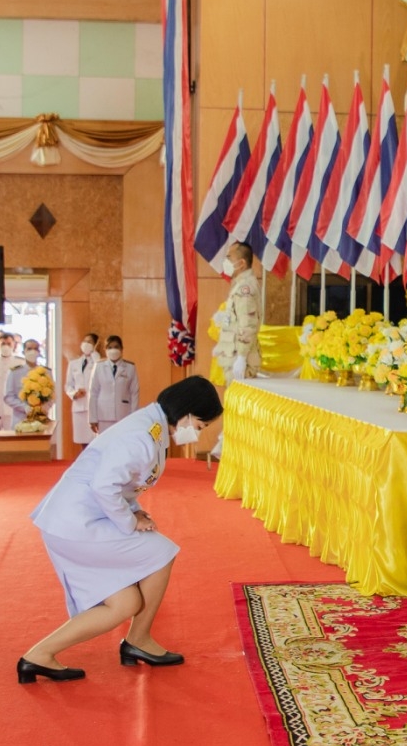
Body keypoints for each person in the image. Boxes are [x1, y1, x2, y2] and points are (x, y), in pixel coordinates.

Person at [18, 376, 223, 681]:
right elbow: (104, 486)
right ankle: (139, 640)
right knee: (162, 551)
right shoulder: (142, 436)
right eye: (200, 426)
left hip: (74, 520)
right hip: (77, 522)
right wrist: (131, 522)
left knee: (125, 603)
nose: (196, 433)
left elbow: (122, 485)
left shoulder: (150, 427)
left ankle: (38, 656)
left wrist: (136, 511)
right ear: (187, 413)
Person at [211, 242, 262, 385]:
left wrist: (242, 357)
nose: (225, 262)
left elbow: (247, 325)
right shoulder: (239, 284)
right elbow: (237, 318)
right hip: (232, 355)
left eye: (229, 258)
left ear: (241, 263)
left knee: (239, 403)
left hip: (239, 359)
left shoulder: (245, 288)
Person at [87, 335, 139, 434]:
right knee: (105, 446)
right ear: (105, 350)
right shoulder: (99, 367)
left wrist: (134, 417)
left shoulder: (130, 367)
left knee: (122, 444)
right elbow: (93, 393)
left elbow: (134, 393)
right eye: (110, 347)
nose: (113, 350)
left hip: (124, 415)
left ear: (122, 349)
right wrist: (92, 418)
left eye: (116, 347)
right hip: (103, 415)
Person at [63, 333, 101, 455]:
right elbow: (68, 385)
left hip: (94, 406)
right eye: (84, 341)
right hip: (79, 406)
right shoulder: (74, 363)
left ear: (95, 345)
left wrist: (96, 354)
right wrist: (74, 393)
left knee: (95, 439)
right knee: (82, 440)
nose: (86, 344)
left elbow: (101, 377)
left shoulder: (98, 362)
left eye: (90, 342)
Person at [0, 331, 24, 433]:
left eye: (9, 344)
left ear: (14, 345)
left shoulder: (20, 363)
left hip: (13, 409)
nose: (6, 346)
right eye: (3, 344)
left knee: (12, 437)